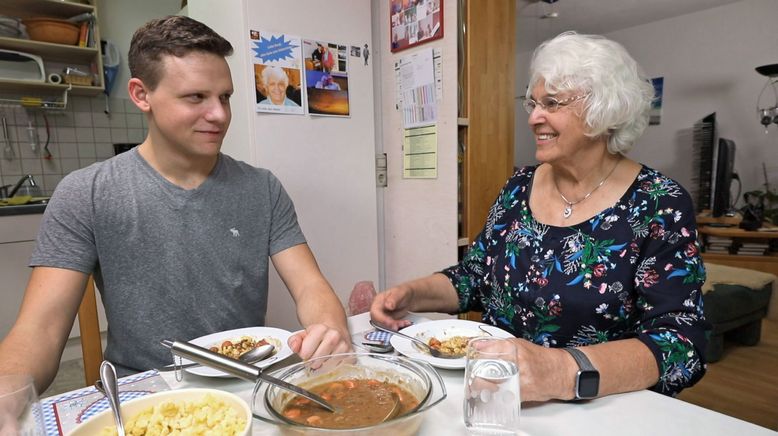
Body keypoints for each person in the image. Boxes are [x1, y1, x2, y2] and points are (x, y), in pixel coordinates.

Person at [0, 15, 351, 393]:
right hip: (144, 392)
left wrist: (329, 331)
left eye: (225, 97)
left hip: (247, 380)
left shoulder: (261, 187)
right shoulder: (87, 192)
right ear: (141, 95)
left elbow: (310, 287)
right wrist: (8, 393)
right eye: (196, 97)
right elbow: (41, 328)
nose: (219, 114)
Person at [371, 31, 708, 402]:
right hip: (495, 397)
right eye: (532, 103)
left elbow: (680, 343)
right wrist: (412, 294)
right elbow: (475, 277)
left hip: (601, 409)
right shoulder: (518, 186)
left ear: (604, 109)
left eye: (551, 103)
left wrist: (560, 371)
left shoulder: (660, 203)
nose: (533, 118)